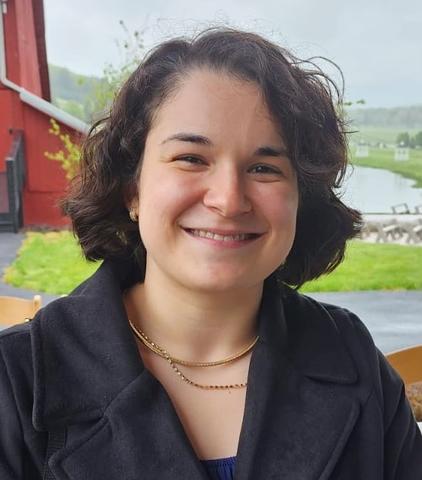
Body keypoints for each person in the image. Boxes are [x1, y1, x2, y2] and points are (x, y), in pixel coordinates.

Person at [0, 27, 421, 480]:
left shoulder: (351, 357)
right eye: (191, 158)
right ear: (132, 188)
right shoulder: (16, 381)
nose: (228, 199)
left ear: (303, 198)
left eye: (264, 168)